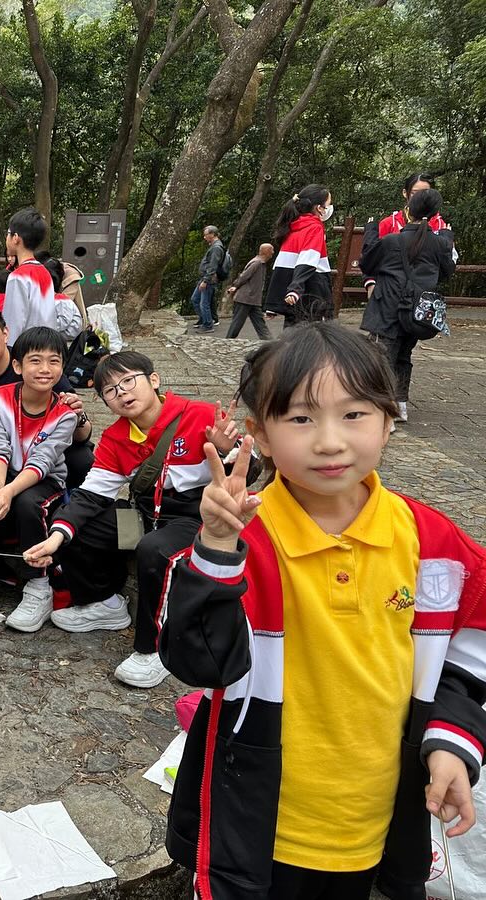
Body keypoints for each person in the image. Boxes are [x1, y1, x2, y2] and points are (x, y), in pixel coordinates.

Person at [158, 323, 485, 900]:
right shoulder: (245, 540)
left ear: (389, 420)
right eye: (301, 418)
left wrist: (451, 740)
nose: (330, 442)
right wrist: (216, 548)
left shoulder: (432, 543)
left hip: (379, 816)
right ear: (260, 434)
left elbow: (471, 649)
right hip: (260, 817)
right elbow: (196, 660)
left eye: (354, 414)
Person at [22, 352, 244, 686]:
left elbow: (245, 472)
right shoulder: (116, 438)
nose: (122, 393)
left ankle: (154, 648)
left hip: (194, 515)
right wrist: (55, 538)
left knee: (154, 549)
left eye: (128, 381)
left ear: (153, 380)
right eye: (110, 391)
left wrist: (227, 452)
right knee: (74, 524)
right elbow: (90, 495)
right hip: (144, 514)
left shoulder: (199, 415)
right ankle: (105, 602)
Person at [0, 327, 79, 633]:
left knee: (27, 504)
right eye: (35, 360)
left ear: (62, 367)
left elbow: (43, 461)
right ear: (18, 366)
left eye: (53, 361)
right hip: (2, 469)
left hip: (45, 477)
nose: (45, 369)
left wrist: (10, 491)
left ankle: (39, 586)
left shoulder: (65, 413)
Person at [0, 302, 93, 487]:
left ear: (5, 333)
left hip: (46, 446)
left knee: (82, 460)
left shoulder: (36, 366)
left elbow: (82, 435)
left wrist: (79, 418)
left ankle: (67, 500)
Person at [360, 188, 456, 425]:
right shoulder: (439, 243)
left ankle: (384, 414)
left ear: (408, 211)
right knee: (403, 355)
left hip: (388, 307)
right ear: (434, 213)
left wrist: (371, 231)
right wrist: (447, 237)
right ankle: (400, 404)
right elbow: (447, 271)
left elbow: (368, 263)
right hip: (418, 310)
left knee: (382, 358)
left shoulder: (392, 241)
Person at [363, 172, 456, 304]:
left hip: (423, 298)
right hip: (390, 294)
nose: (420, 197)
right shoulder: (389, 223)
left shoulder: (440, 225)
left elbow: (446, 265)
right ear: (405, 193)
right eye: (415, 193)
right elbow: (373, 257)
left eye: (425, 193)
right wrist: (371, 283)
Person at [266, 184, 334, 327]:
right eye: (328, 205)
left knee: (292, 333)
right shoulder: (315, 227)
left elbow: (282, 265)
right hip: (312, 291)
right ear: (319, 208)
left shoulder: (292, 227)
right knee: (315, 334)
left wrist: (274, 302)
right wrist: (295, 289)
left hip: (294, 295)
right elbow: (308, 261)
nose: (329, 208)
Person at [0, 208, 57, 343]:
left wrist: (8, 348)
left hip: (26, 347)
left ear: (15, 238)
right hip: (48, 344)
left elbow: (12, 324)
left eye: (8, 233)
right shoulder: (45, 272)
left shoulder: (17, 277)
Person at [225, 243, 274, 340]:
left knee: (260, 323)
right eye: (271, 250)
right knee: (237, 323)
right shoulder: (257, 263)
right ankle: (228, 340)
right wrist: (235, 285)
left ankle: (269, 341)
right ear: (266, 251)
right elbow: (244, 276)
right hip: (245, 298)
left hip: (253, 299)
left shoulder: (260, 263)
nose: (273, 252)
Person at [191, 225, 226, 334]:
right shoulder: (214, 246)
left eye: (206, 235)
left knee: (204, 303)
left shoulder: (216, 248)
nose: (204, 237)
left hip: (209, 279)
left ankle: (208, 325)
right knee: (195, 299)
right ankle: (204, 319)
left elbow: (213, 266)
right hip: (204, 277)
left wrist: (205, 281)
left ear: (212, 234)